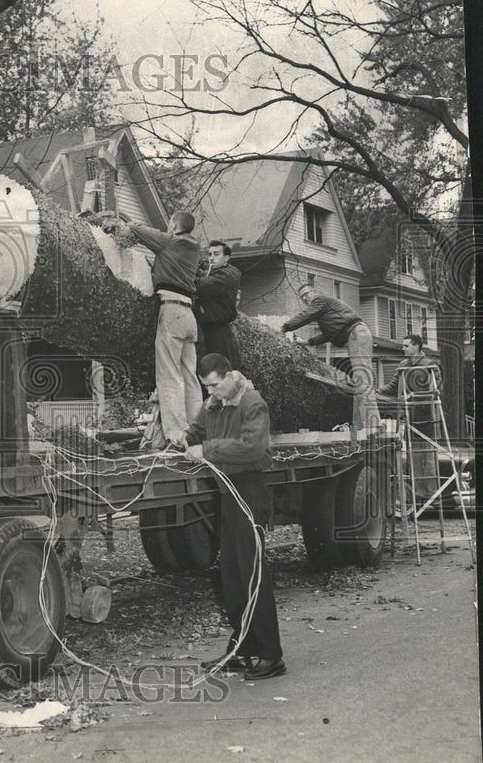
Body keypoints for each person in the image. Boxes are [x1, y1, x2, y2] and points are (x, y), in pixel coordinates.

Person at [184, 353, 285, 680]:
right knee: (231, 577)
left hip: (249, 490)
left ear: (229, 377)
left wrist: (208, 450)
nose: (210, 391)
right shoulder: (212, 405)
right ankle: (244, 648)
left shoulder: (252, 402)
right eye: (206, 386)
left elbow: (253, 448)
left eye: (214, 384)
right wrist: (183, 439)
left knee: (252, 575)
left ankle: (272, 655)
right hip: (227, 493)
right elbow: (198, 432)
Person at [119, 210, 204, 445]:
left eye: (169, 224)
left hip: (172, 311)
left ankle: (176, 434)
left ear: (175, 225)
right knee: (189, 375)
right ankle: (197, 429)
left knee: (169, 374)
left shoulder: (171, 241)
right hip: (189, 316)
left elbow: (138, 230)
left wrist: (122, 218)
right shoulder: (193, 248)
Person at [281, 284, 380, 430]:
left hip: (357, 334)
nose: (305, 299)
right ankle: (360, 426)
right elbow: (327, 334)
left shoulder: (320, 300)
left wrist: (284, 327)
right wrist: (307, 342)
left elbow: (306, 315)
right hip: (355, 335)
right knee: (359, 382)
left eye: (306, 294)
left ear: (314, 291)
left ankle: (374, 424)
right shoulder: (326, 314)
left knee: (363, 381)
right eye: (301, 298)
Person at [376, 333, 442, 498]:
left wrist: (413, 396)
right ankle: (418, 495)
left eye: (406, 345)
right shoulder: (403, 365)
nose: (403, 348)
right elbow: (393, 386)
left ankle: (431, 495)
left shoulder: (430, 364)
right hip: (410, 418)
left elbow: (434, 391)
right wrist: (376, 391)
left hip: (428, 418)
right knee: (413, 458)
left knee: (428, 458)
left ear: (416, 346)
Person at [195, 240, 241, 368]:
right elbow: (205, 276)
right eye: (209, 254)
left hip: (220, 334)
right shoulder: (222, 272)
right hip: (215, 331)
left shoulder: (226, 275)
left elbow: (201, 285)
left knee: (222, 374)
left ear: (226, 258)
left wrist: (183, 271)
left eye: (216, 254)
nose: (211, 258)